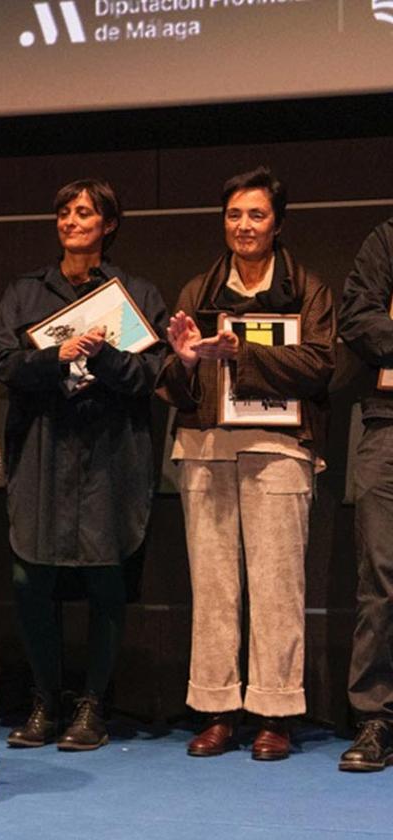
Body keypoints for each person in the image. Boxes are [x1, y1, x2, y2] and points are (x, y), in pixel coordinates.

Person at [157, 166, 334, 761]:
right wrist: (184, 361)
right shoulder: (197, 292)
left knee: (279, 587)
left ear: (277, 223)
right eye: (234, 215)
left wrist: (244, 352)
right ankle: (215, 709)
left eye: (256, 215)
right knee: (212, 588)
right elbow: (170, 385)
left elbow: (319, 366)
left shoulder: (308, 287)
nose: (244, 226)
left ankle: (275, 712)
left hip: (280, 451)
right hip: (206, 450)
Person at [0, 179, 167, 751]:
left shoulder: (136, 294)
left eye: (84, 212)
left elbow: (152, 377)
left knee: (105, 575)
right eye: (64, 211)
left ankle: (92, 705)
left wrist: (104, 353)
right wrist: (55, 356)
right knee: (30, 575)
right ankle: (45, 701)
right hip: (41, 445)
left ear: (108, 223)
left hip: (110, 452)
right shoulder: (24, 293)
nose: (71, 221)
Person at [337, 215, 393, 771]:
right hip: (389, 426)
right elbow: (358, 317)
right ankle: (376, 717)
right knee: (379, 578)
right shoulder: (386, 239)